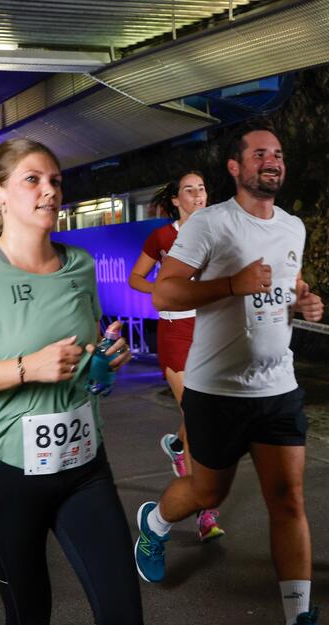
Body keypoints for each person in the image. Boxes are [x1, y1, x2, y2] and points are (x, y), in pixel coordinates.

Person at [0, 138, 143, 625]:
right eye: (33, 180)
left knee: (124, 621)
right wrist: (26, 367)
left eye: (56, 181)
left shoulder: (80, 265)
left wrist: (103, 360)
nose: (49, 191)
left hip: (84, 465)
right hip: (4, 473)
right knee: (29, 624)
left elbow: (83, 358)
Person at [132, 122, 329, 625]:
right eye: (260, 153)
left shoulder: (294, 226)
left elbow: (289, 283)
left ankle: (299, 622)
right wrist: (230, 284)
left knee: (289, 500)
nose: (273, 161)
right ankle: (155, 525)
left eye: (279, 153)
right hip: (216, 390)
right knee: (207, 493)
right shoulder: (210, 225)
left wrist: (303, 301)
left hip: (278, 388)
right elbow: (164, 295)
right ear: (235, 167)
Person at [128, 170, 225, 542]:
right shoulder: (163, 236)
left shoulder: (218, 233)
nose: (198, 196)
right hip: (175, 332)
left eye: (202, 189)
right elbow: (136, 278)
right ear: (176, 200)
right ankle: (205, 516)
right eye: (190, 190)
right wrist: (164, 289)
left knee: (203, 414)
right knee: (203, 420)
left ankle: (177, 445)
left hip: (209, 330)